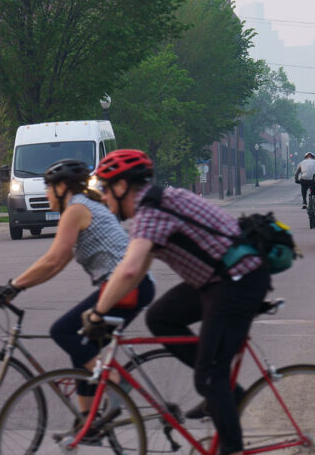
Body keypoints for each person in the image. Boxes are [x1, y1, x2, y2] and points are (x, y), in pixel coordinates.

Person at [82, 149, 271, 455]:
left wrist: (97, 313)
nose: (103, 197)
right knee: (160, 316)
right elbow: (137, 267)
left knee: (210, 376)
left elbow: (130, 269)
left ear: (121, 187)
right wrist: (106, 306)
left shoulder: (151, 210)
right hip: (217, 279)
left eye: (105, 188)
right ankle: (224, 391)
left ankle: (229, 436)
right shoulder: (156, 203)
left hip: (237, 281)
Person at [0, 159, 154, 435]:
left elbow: (52, 260)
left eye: (48, 188)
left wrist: (13, 287)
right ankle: (88, 421)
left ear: (62, 187)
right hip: (129, 286)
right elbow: (58, 263)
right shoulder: (81, 208)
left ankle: (114, 382)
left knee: (63, 331)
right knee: (82, 347)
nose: (45, 194)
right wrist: (19, 287)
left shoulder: (76, 209)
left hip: (126, 287)